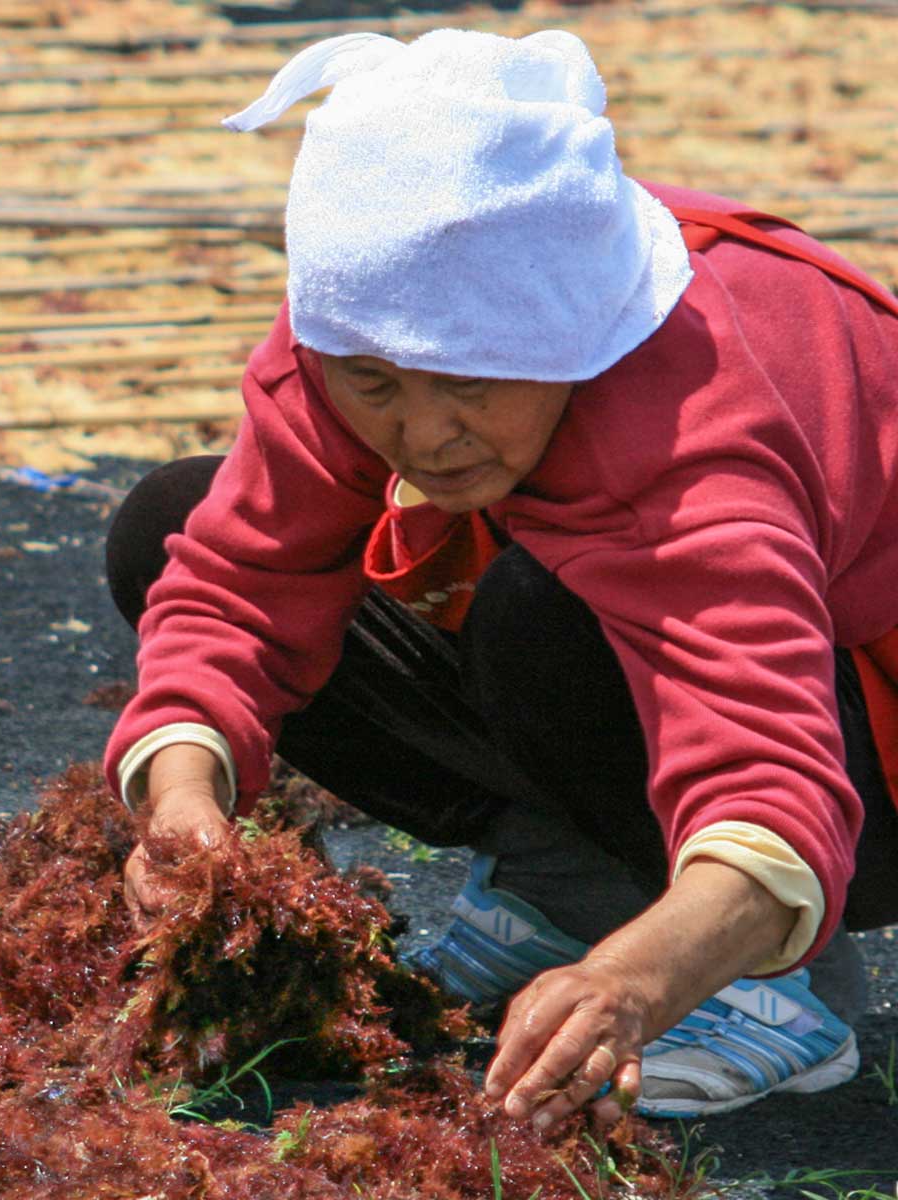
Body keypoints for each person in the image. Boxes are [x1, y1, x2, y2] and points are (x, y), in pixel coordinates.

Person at [101, 27, 898, 1129]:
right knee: (168, 521)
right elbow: (238, 583)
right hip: (647, 660)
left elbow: (772, 772)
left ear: (564, 333)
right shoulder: (353, 328)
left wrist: (636, 986)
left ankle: (771, 986)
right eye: (376, 385)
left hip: (867, 755)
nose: (425, 434)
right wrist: (183, 794)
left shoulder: (687, 417)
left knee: (542, 615)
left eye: (472, 380)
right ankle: (567, 888)